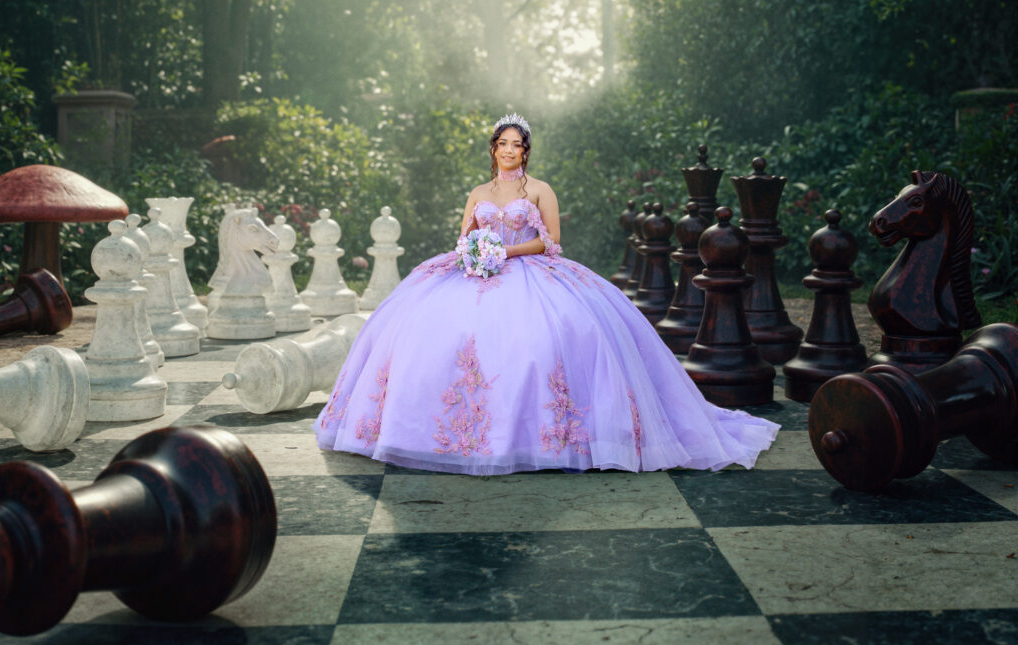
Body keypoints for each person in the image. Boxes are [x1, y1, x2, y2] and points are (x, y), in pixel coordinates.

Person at [314, 113, 779, 474]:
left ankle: (551, 437)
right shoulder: (477, 191)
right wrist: (475, 253)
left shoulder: (539, 190)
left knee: (548, 340)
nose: (510, 151)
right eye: (503, 144)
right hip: (476, 271)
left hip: (529, 268)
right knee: (427, 332)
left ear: (526, 151)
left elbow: (552, 242)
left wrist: (506, 251)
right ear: (493, 149)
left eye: (518, 145)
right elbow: (463, 238)